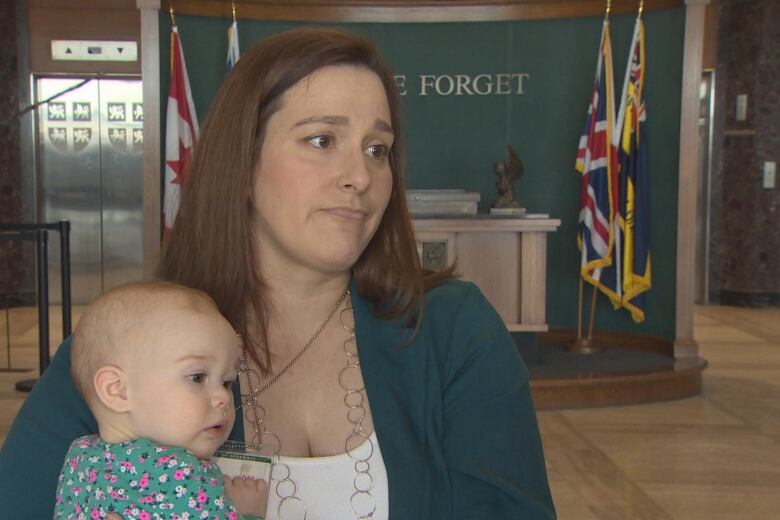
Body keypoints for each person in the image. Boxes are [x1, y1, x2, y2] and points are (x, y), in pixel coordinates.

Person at [0, 27, 556, 519]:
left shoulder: (454, 332)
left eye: (377, 149)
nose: (359, 176)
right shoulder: (124, 344)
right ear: (243, 164)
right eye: (322, 140)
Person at [53, 282, 267, 519]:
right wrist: (248, 511)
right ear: (118, 390)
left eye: (227, 382)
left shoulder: (80, 457)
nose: (224, 397)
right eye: (197, 377)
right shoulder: (186, 478)